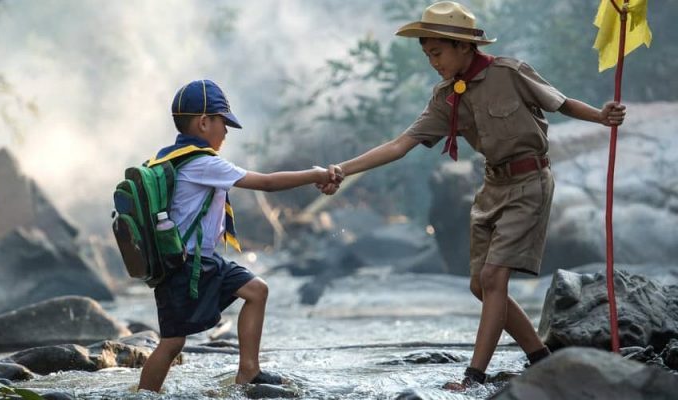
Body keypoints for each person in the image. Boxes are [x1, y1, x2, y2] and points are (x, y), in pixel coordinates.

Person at [317, 1, 626, 391]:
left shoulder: (509, 72)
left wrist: (601, 116)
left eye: (438, 52)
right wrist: (343, 169)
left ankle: (473, 376)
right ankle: (541, 360)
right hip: (490, 188)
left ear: (465, 46)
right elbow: (401, 144)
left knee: (495, 277)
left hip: (529, 183)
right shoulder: (447, 96)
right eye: (427, 54)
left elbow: (561, 102)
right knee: (480, 285)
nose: (433, 61)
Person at [138, 79, 342, 392]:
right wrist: (314, 174)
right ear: (204, 122)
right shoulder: (203, 162)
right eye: (223, 122)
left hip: (203, 261)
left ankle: (249, 371)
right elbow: (268, 183)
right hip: (186, 266)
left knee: (256, 290)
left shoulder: (171, 157)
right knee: (172, 343)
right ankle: (144, 396)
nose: (227, 131)